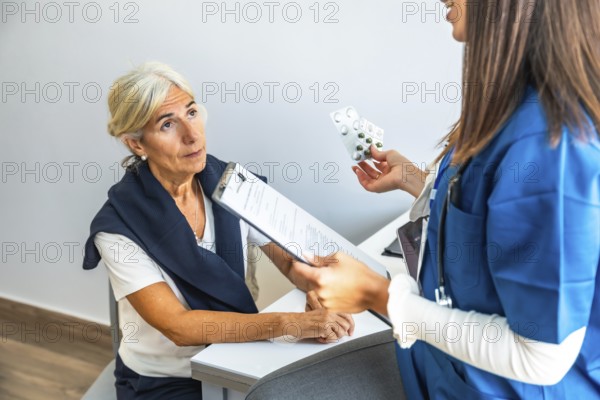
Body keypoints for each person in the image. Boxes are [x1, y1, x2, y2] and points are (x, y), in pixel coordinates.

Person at [294, 0, 600, 398]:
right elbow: (491, 209)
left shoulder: (550, 147)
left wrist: (376, 295)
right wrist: (417, 182)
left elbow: (540, 358)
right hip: (443, 365)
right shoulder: (508, 104)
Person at [82, 61, 354, 400]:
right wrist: (287, 324)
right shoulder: (117, 228)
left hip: (237, 358)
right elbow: (179, 326)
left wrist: (314, 288)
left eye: (191, 112)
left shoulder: (232, 182)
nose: (192, 134)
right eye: (168, 124)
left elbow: (288, 260)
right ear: (136, 144)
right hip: (165, 382)